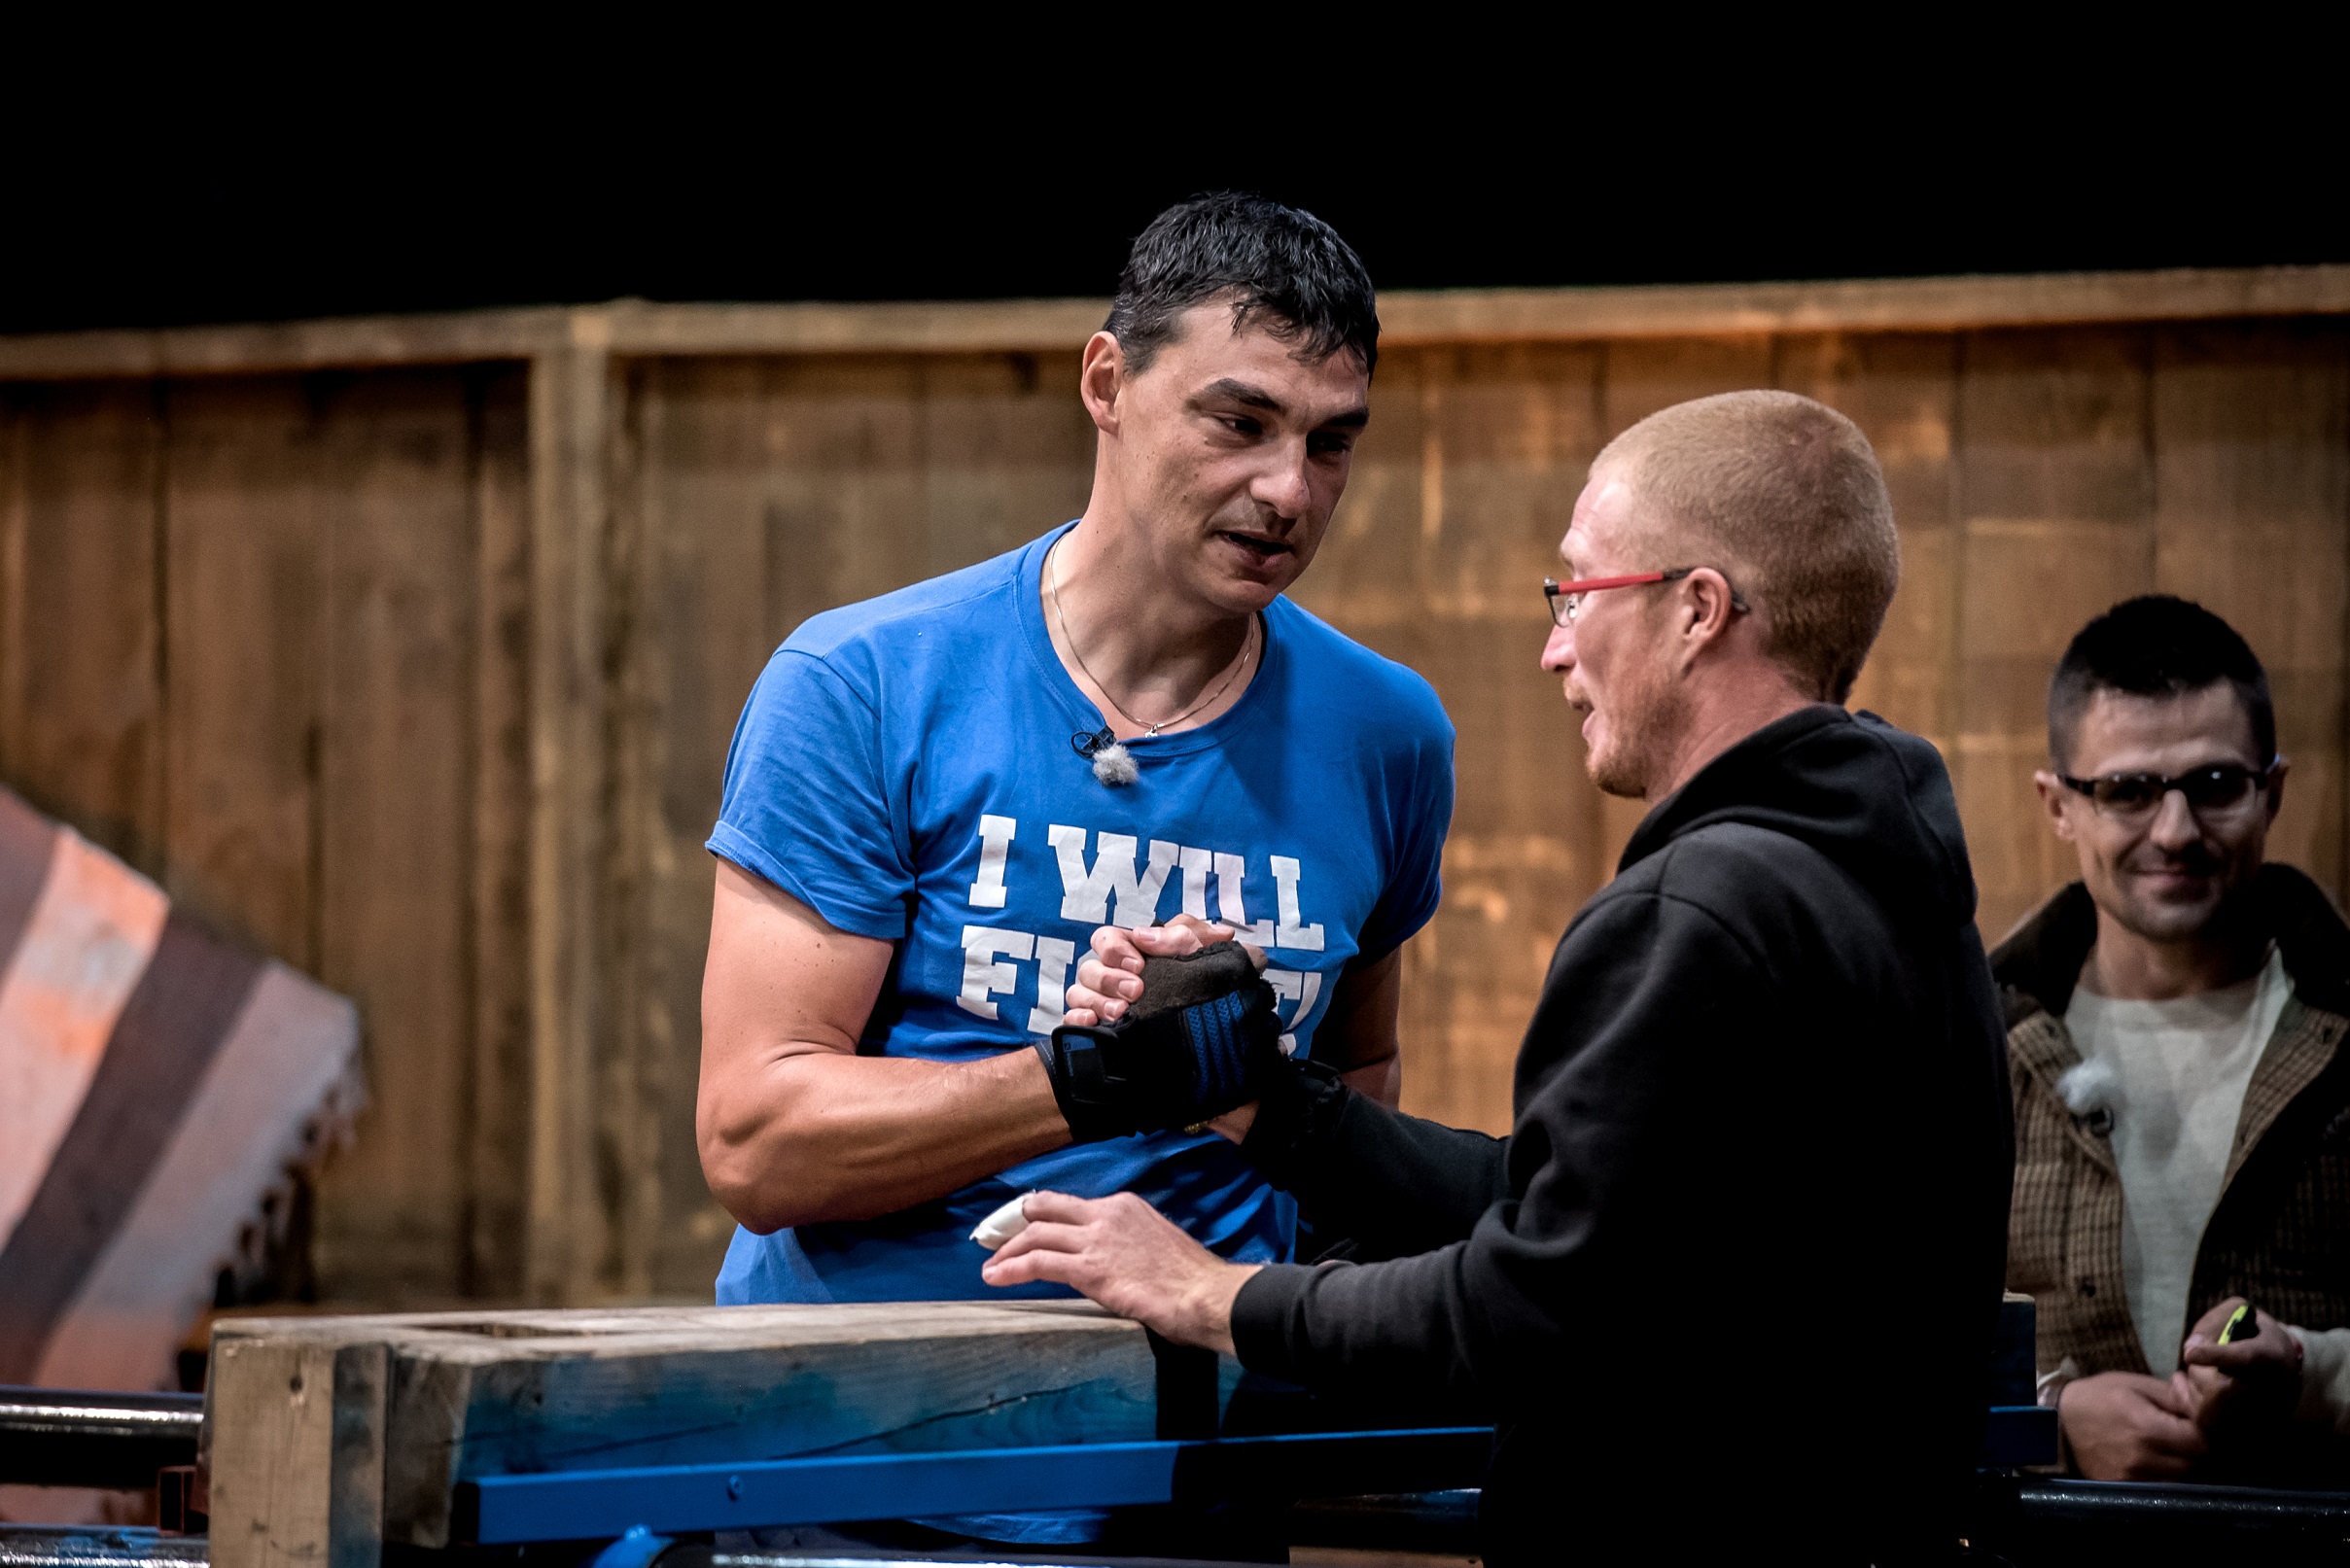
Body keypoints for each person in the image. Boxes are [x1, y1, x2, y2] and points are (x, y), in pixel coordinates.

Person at [992, 390, 2017, 1562]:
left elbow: (1531, 1305)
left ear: (1695, 610)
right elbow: (1580, 1217)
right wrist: (1266, 1105)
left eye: (1576, 590)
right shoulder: (1879, 870)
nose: (1554, 644)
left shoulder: (1698, 908)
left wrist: (1206, 1292)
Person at [692, 193, 1454, 1545]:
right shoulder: (864, 684)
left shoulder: (1387, 734)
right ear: (1106, 383)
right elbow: (756, 1138)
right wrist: (1089, 1080)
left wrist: (1296, 1267)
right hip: (858, 1484)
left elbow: (1359, 1078)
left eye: (1330, 442)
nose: (1288, 490)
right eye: (1239, 422)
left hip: (1199, 1486)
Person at [1996, 595, 2350, 1483]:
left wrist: (2309, 1373)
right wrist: (2047, 1416)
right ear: (2057, 805)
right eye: (2127, 791)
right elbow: (1869, 1339)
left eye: (2215, 784)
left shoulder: (2348, 1026)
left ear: (2271, 791)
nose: (2175, 831)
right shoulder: (1974, 1042)